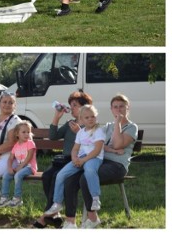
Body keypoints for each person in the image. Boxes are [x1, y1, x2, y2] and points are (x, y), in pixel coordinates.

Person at [62, 94, 138, 229]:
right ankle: (70, 221)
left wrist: (117, 124)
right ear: (111, 109)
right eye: (115, 107)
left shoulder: (132, 127)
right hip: (100, 161)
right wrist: (82, 133)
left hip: (117, 166)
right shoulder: (106, 126)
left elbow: (118, 144)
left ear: (128, 108)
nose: (118, 110)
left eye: (122, 107)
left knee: (85, 177)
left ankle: (92, 218)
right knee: (70, 178)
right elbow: (95, 144)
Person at [34, 90, 91, 228]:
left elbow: (91, 146)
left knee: (55, 177)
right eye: (71, 105)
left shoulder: (89, 125)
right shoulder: (70, 123)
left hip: (76, 161)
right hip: (63, 160)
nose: (71, 108)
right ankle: (54, 214)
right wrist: (57, 117)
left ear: (84, 107)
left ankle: (46, 215)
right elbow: (53, 136)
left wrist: (80, 132)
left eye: (75, 105)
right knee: (47, 175)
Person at [44, 105, 105, 220]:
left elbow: (97, 150)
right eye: (87, 117)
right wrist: (74, 158)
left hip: (94, 158)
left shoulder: (98, 131)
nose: (90, 119)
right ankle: (57, 203)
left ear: (96, 117)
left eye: (93, 116)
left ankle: (95, 198)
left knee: (89, 170)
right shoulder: (81, 132)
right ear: (81, 119)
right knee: (61, 174)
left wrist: (83, 160)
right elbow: (75, 149)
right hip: (81, 158)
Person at [0, 121, 38, 208]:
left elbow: (29, 157)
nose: (26, 134)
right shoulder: (16, 145)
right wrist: (9, 168)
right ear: (17, 134)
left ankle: (17, 199)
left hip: (29, 167)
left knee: (17, 175)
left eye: (28, 132)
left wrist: (20, 166)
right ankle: (4, 198)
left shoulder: (30, 143)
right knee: (6, 175)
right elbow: (11, 158)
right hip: (20, 167)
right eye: (23, 132)